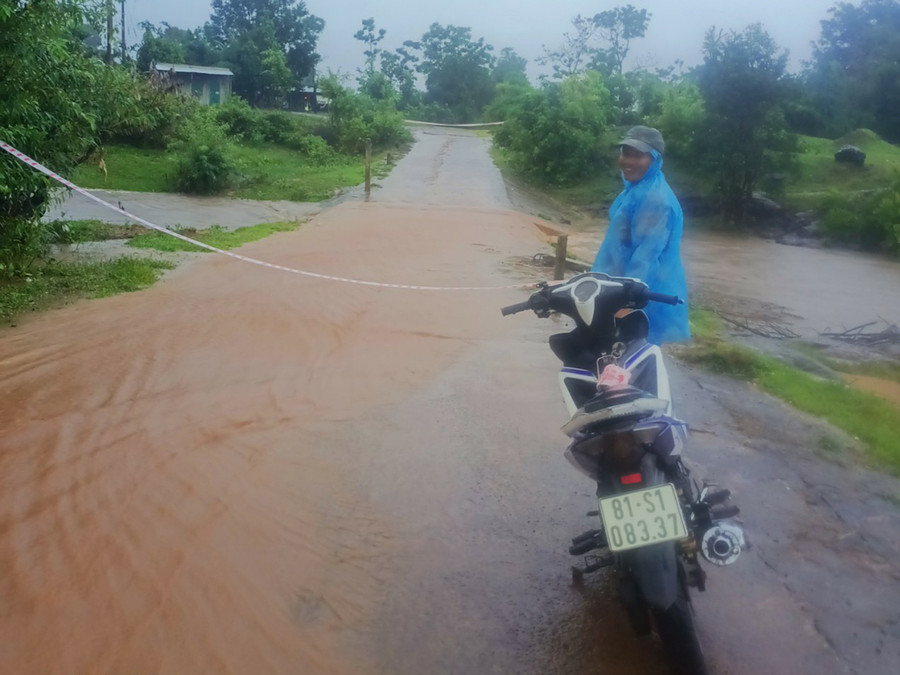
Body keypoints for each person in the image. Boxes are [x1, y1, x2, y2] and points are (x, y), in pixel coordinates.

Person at [590, 126, 690, 344]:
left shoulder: (655, 199)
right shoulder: (637, 189)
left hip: (636, 296)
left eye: (638, 155)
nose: (628, 161)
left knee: (625, 365)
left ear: (654, 159)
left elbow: (646, 256)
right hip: (618, 287)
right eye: (626, 153)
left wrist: (628, 303)